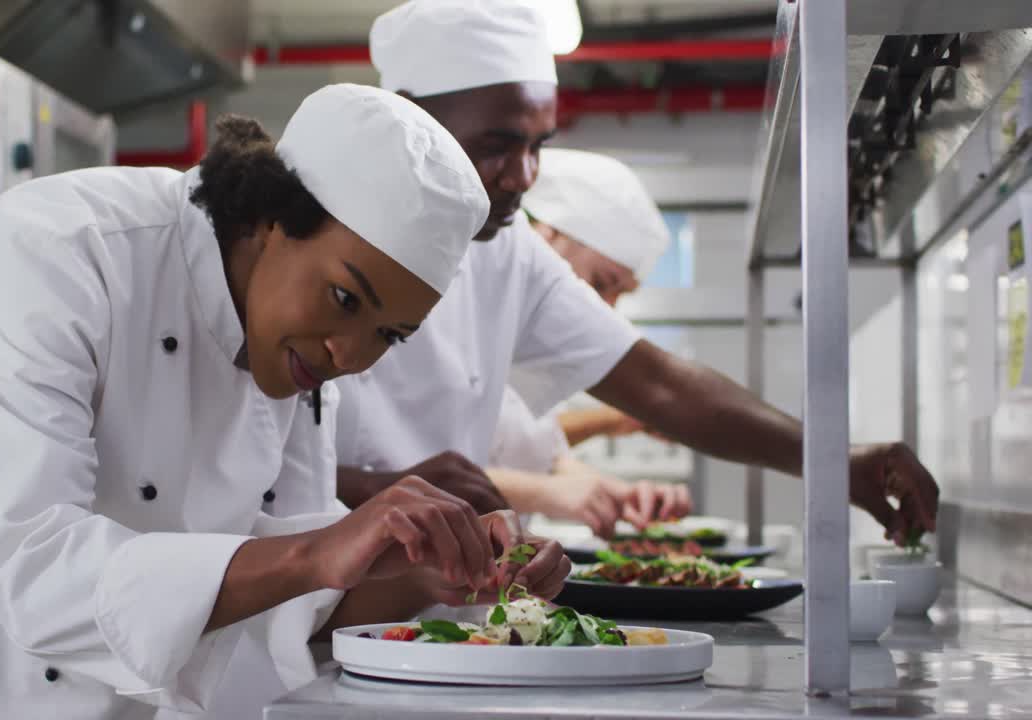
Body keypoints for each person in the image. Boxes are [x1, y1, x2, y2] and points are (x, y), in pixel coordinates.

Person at [0, 84, 570, 719]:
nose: (350, 355)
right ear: (269, 218)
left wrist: (434, 574)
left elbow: (284, 602)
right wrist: (318, 551)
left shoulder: (294, 360)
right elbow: (39, 569)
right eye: (345, 300)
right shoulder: (63, 253)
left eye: (388, 336)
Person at [334, 0, 938, 550]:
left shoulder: (508, 250)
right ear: (411, 118)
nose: (524, 175)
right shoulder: (322, 228)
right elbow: (255, 465)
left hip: (435, 607)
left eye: (538, 145)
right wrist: (380, 489)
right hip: (312, 615)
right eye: (498, 144)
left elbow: (658, 383)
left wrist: (833, 458)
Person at [485, 148, 690, 537]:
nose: (605, 310)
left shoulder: (520, 341)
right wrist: (546, 492)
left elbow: (538, 451)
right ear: (544, 237)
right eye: (600, 282)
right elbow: (405, 473)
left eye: (621, 294)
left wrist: (616, 495)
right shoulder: (451, 313)